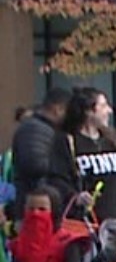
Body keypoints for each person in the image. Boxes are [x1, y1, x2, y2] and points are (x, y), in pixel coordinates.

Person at [47, 87, 116, 223]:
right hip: (86, 221)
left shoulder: (111, 141)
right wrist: (74, 196)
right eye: (103, 106)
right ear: (89, 111)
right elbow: (57, 178)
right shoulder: (68, 142)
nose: (109, 111)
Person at [8, 87, 69, 218]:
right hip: (37, 207)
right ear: (57, 109)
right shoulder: (35, 129)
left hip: (44, 205)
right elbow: (34, 165)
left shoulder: (43, 129)